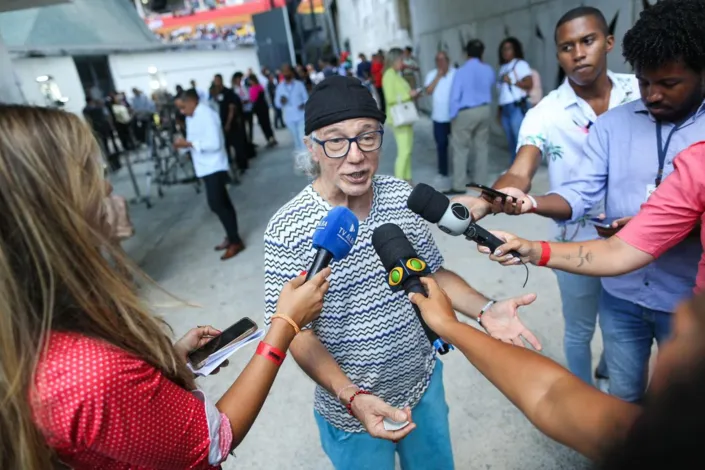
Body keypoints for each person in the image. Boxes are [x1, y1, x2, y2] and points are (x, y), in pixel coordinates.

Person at [0, 104, 332, 470]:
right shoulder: (89, 373)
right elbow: (214, 441)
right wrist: (284, 325)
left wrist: (169, 366)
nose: (107, 186)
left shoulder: (49, 332)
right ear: (47, 207)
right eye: (86, 173)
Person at [264, 75, 541, 470]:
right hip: (349, 410)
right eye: (336, 140)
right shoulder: (285, 228)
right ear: (311, 146)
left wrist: (485, 309)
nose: (356, 155)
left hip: (422, 385)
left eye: (367, 137)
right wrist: (351, 396)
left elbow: (434, 275)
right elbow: (295, 334)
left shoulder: (401, 196)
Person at [476, 0, 705, 403]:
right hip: (622, 291)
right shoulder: (612, 125)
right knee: (624, 396)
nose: (651, 95)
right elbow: (578, 192)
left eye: (668, 84)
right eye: (645, 82)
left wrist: (665, 227)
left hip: (686, 298)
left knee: (680, 408)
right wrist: (527, 202)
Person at [456, 6, 639, 389]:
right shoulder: (545, 113)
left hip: (636, 240)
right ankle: (582, 399)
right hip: (573, 243)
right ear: (557, 55)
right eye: (567, 46)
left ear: (608, 43)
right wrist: (493, 200)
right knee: (580, 329)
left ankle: (612, 381)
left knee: (625, 328)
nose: (578, 53)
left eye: (587, 41)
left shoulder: (640, 92)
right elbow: (521, 170)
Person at [409, 276, 705, 467]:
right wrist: (453, 325)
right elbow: (549, 394)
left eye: (677, 337)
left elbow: (550, 395)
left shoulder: (648, 443)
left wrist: (450, 326)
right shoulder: (657, 437)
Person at [175, 89, 245, 260]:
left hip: (214, 166)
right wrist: (185, 147)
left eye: (183, 107)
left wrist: (189, 143)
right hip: (205, 166)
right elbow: (193, 140)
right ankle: (231, 235)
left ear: (192, 102)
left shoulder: (206, 115)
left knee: (217, 203)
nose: (182, 112)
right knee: (222, 203)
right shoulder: (191, 117)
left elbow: (215, 143)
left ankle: (235, 240)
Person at [448, 39, 495, 193]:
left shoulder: (461, 72)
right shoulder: (488, 70)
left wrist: (452, 116)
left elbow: (455, 96)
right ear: (482, 53)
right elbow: (491, 85)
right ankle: (481, 182)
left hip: (466, 112)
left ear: (466, 53)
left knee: (461, 148)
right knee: (482, 147)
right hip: (484, 110)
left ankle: (459, 184)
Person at [382, 47, 421, 184]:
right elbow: (391, 98)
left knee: (408, 150)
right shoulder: (389, 75)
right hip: (398, 117)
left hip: (405, 117)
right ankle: (399, 182)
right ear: (394, 60)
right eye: (401, 60)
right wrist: (408, 95)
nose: (402, 63)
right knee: (403, 151)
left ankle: (407, 178)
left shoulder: (396, 74)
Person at [496, 37, 533, 164]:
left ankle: (522, 167)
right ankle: (514, 166)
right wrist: (499, 111)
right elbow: (501, 93)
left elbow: (529, 83)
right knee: (510, 140)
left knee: (519, 139)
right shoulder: (502, 68)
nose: (505, 52)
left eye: (508, 49)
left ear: (515, 50)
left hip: (516, 107)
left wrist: (512, 81)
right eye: (503, 49)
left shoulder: (520, 64)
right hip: (505, 108)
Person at [424, 50, 456, 192]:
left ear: (448, 61)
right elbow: (428, 91)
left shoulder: (456, 73)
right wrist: (438, 77)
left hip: (455, 116)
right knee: (441, 145)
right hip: (439, 117)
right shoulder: (431, 75)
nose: (441, 62)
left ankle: (460, 169)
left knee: (458, 145)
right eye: (438, 60)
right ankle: (443, 171)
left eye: (443, 59)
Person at [212, 73, 249, 174]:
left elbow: (232, 108)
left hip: (232, 124)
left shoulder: (228, 92)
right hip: (221, 124)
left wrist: (228, 123)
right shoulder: (215, 94)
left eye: (217, 80)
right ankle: (230, 166)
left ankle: (242, 165)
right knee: (226, 147)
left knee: (237, 146)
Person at [274, 64, 309, 155]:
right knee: (296, 140)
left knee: (303, 139)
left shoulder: (299, 84)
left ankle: (307, 163)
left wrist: (303, 104)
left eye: (287, 71)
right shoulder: (280, 87)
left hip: (301, 116)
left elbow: (306, 98)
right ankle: (301, 162)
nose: (285, 73)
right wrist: (281, 101)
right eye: (284, 71)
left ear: (291, 72)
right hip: (289, 118)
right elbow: (277, 104)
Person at [248, 74, 278, 147]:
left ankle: (269, 139)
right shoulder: (259, 87)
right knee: (266, 123)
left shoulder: (253, 88)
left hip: (259, 108)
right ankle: (271, 138)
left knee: (263, 124)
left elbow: (253, 99)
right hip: (263, 107)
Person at [232, 71, 255, 147]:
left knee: (250, 126)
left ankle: (250, 141)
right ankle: (246, 143)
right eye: (238, 79)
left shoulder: (244, 87)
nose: (239, 80)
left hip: (248, 109)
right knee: (244, 127)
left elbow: (248, 95)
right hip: (242, 111)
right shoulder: (234, 90)